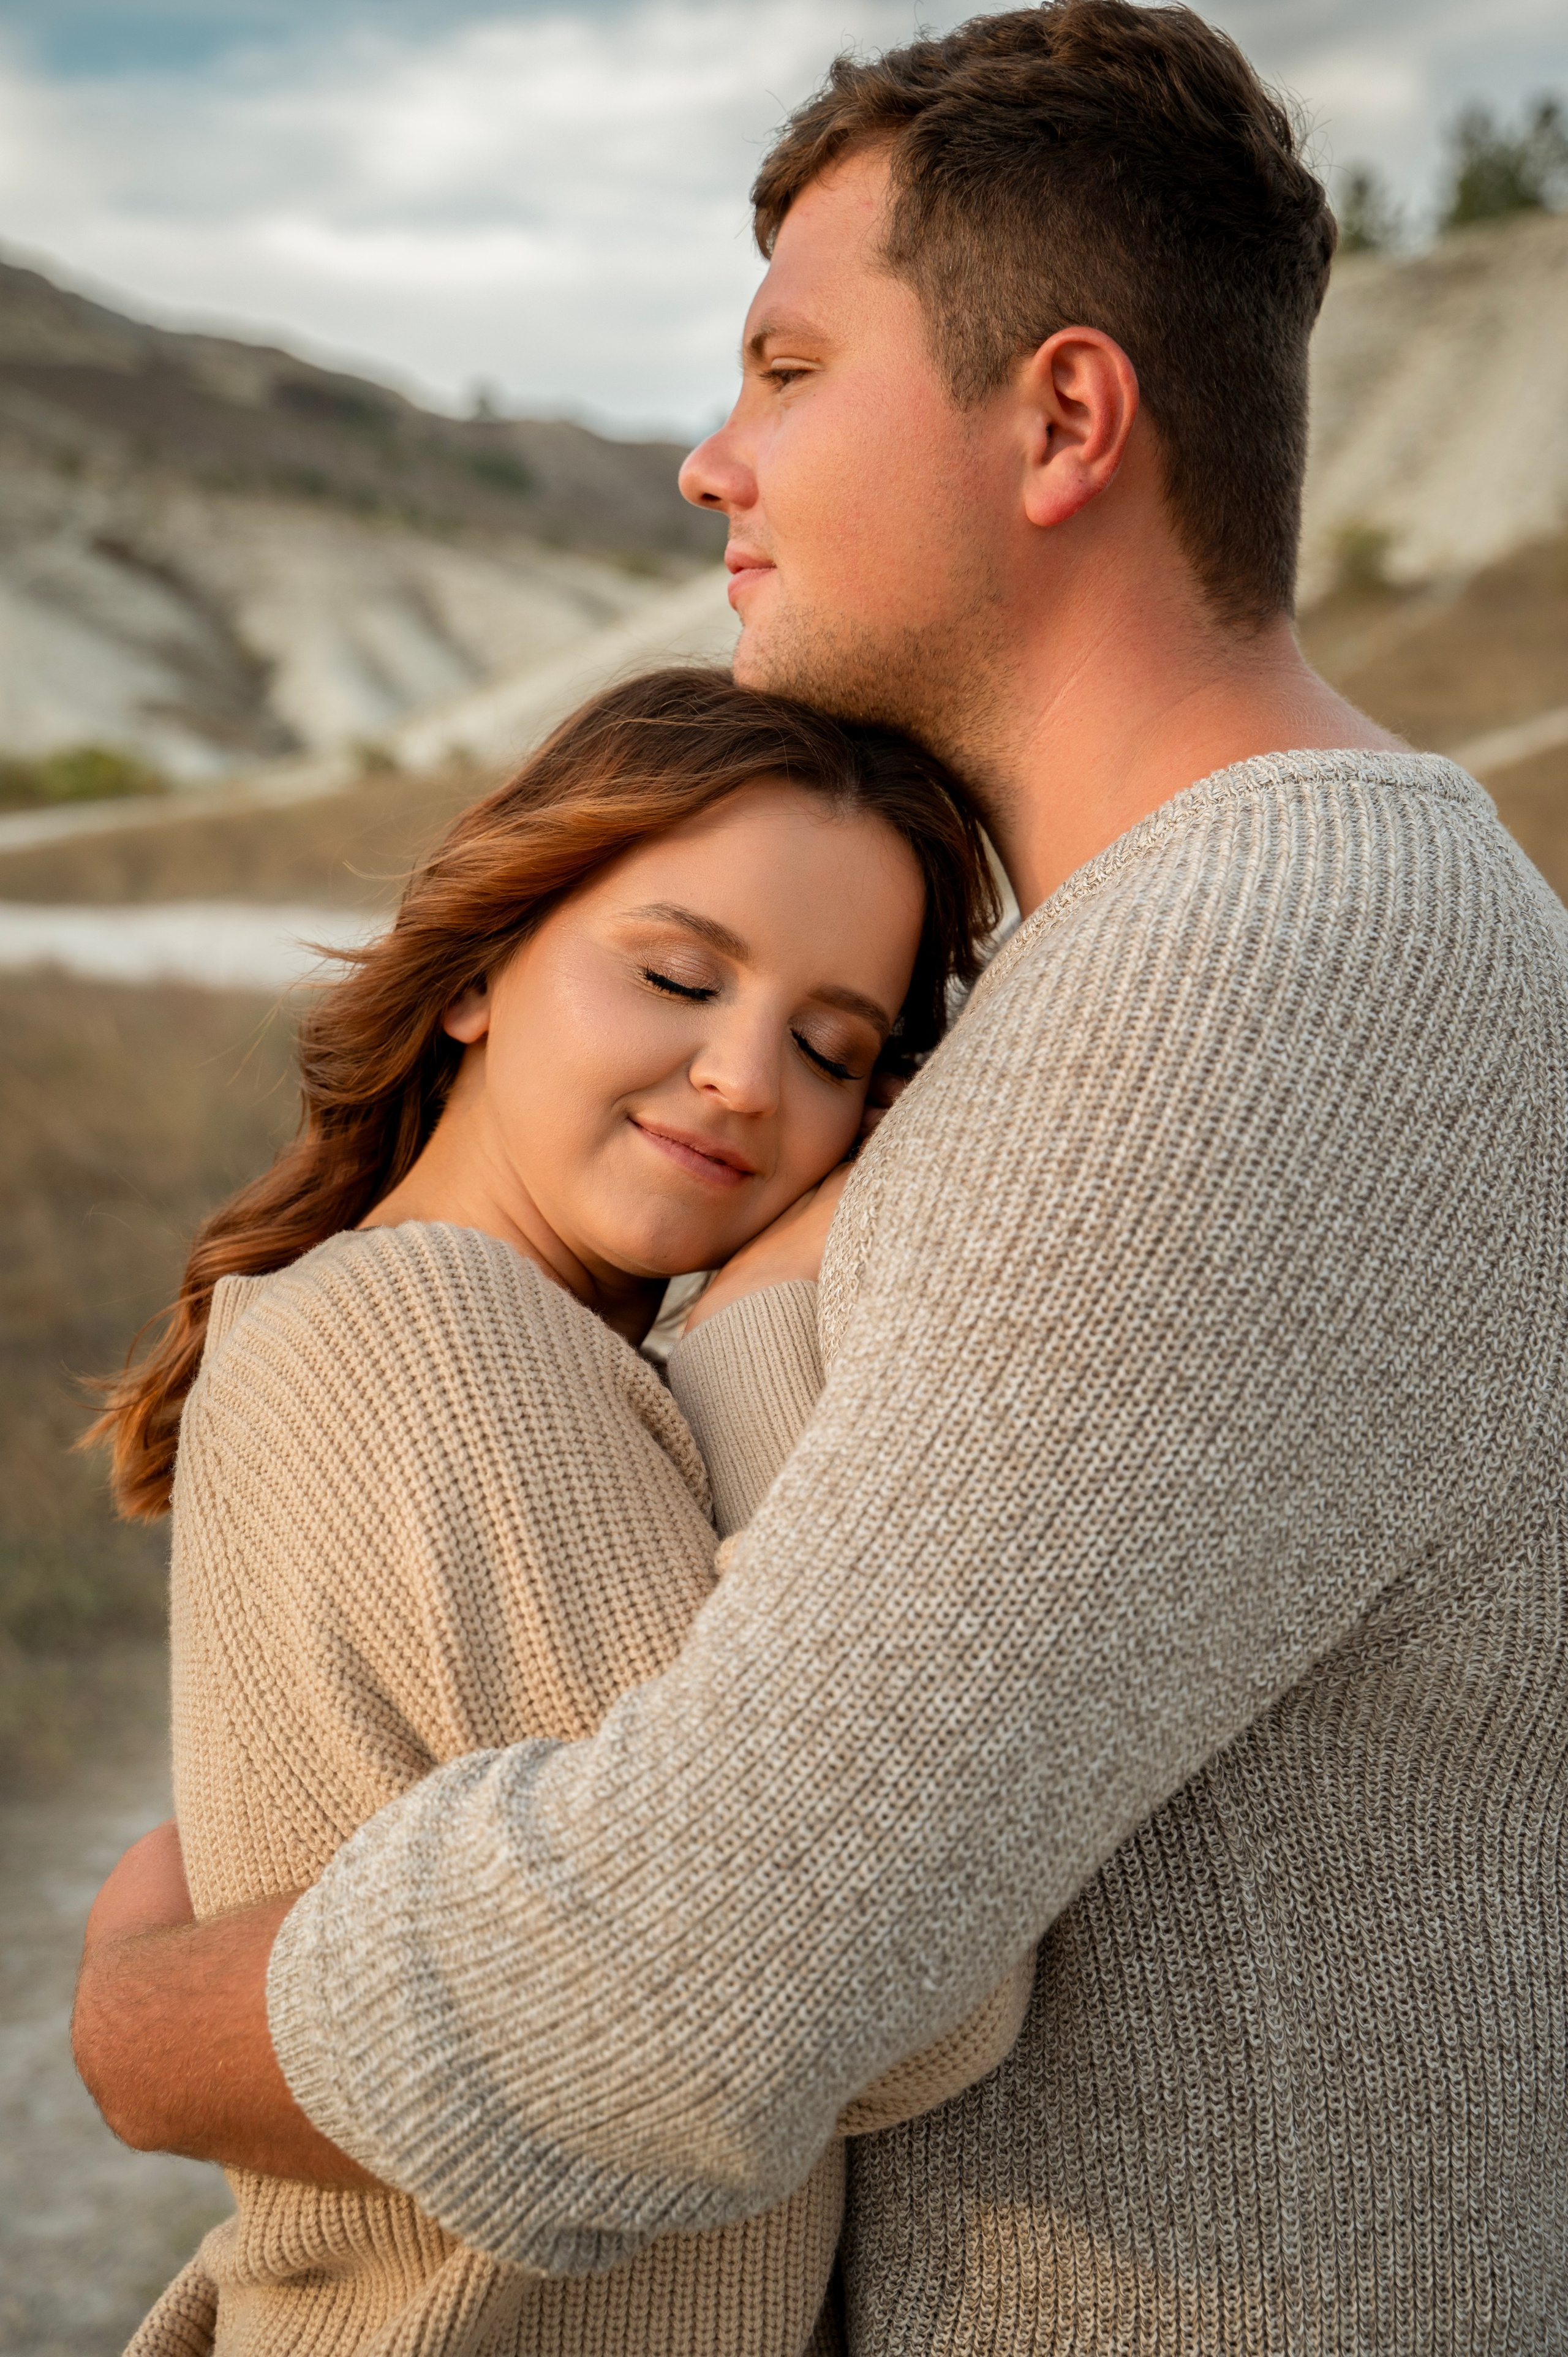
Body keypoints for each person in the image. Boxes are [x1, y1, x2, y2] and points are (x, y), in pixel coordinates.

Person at [76, 3, 1568, 2348]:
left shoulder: (1277, 971)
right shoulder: (1120, 980)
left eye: (785, 367)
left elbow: (702, 1971)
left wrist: (141, 2031)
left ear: (1064, 418)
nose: (706, 461)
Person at [92, 667, 1017, 2357]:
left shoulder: (393, 1318)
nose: (745, 1076)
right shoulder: (442, 1330)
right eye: (676, 976)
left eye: (832, 1047)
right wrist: (770, 1307)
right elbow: (858, 1994)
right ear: (478, 975)